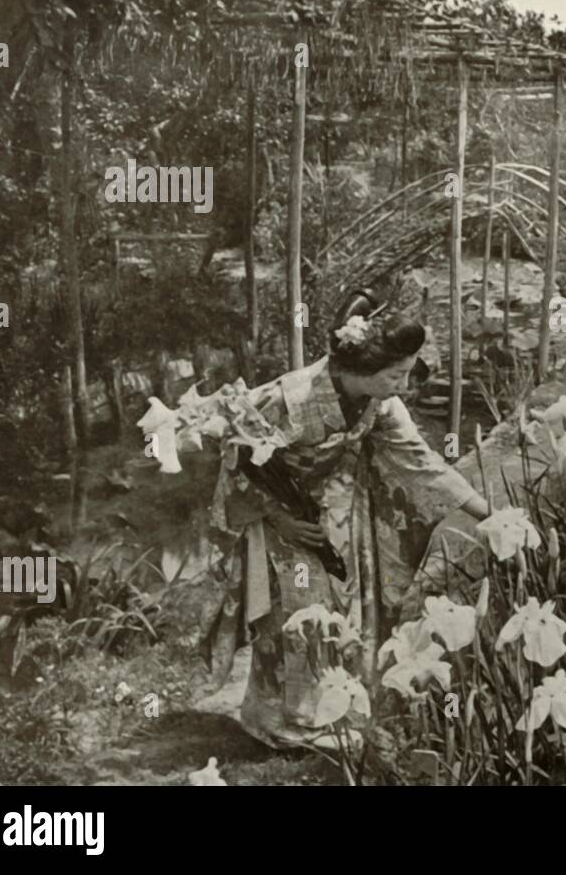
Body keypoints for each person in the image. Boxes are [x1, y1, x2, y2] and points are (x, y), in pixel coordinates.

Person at [200, 291, 491, 748]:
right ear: (362, 370)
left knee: (344, 608)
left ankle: (336, 705)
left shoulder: (382, 402)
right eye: (396, 374)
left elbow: (422, 463)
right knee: (295, 613)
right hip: (282, 516)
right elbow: (238, 457)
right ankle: (281, 720)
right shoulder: (290, 397)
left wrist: (486, 514)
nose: (403, 384)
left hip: (340, 510)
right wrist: (281, 519)